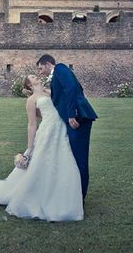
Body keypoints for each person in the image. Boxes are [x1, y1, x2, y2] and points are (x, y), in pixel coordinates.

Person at [0, 75, 83, 221]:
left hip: (60, 129)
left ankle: (62, 197)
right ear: (29, 85)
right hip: (47, 132)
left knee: (63, 161)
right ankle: (36, 195)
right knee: (41, 162)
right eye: (32, 77)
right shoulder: (31, 100)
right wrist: (29, 148)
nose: (36, 76)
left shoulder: (49, 92)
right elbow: (32, 124)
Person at [37, 54, 97, 199]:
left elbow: (71, 89)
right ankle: (75, 194)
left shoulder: (60, 68)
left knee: (79, 158)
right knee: (74, 157)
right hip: (75, 117)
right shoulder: (57, 74)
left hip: (77, 119)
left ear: (47, 64)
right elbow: (69, 92)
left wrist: (72, 114)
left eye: (40, 68)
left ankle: (80, 197)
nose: (40, 72)